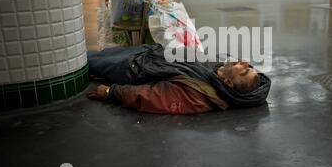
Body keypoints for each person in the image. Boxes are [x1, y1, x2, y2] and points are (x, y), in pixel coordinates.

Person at [86, 43, 271, 114]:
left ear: (228, 83)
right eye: (249, 67)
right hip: (147, 53)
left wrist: (112, 92)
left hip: (130, 67)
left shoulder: (200, 94)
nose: (246, 63)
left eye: (244, 71)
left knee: (83, 60)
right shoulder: (219, 69)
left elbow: (154, 96)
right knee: (93, 55)